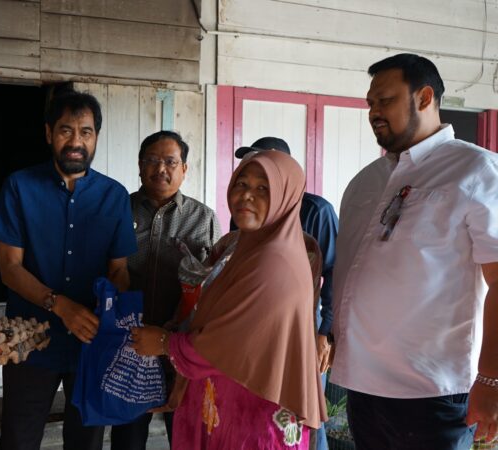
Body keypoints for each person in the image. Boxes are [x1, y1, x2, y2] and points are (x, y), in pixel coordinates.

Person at [332, 53, 498, 449]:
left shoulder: (476, 171)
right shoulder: (366, 182)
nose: (374, 112)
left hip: (431, 392)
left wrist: (491, 378)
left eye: (385, 100)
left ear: (424, 98)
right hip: (362, 386)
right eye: (370, 103)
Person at [131, 150, 326, 449]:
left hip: (252, 414)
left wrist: (163, 343)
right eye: (241, 184)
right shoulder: (246, 248)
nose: (247, 195)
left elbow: (228, 343)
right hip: (227, 403)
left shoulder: (275, 262)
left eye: (263, 188)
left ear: (285, 197)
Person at [0, 90, 137, 450]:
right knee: (18, 440)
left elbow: (119, 270)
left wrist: (112, 321)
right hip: (29, 340)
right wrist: (60, 305)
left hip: (91, 344)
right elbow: (9, 268)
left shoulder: (114, 195)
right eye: (65, 130)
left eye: (85, 132)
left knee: (86, 442)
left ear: (96, 136)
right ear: (48, 133)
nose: (76, 142)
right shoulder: (19, 187)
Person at [112, 130, 220, 449]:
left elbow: (215, 285)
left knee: (185, 434)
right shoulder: (119, 211)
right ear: (139, 166)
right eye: (152, 160)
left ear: (184, 169)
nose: (161, 169)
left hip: (181, 348)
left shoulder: (203, 218)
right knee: (128, 437)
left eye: (170, 162)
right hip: (129, 345)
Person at [235, 137, 338, 450]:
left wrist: (324, 332)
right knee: (264, 412)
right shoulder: (247, 207)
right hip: (255, 329)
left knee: (305, 413)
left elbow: (335, 272)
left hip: (303, 329)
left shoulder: (315, 211)